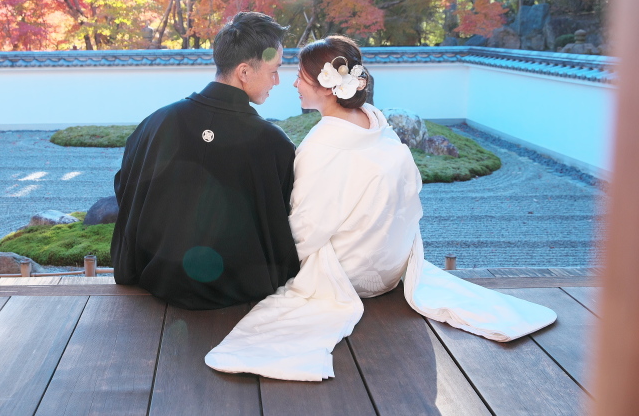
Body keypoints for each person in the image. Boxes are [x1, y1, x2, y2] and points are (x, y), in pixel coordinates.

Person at [206, 36, 556, 381]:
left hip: (350, 273)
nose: (294, 83)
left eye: (301, 75)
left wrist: (276, 263)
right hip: (391, 266)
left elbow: (309, 225)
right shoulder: (377, 126)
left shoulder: (321, 145)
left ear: (328, 86)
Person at [111, 12, 300, 310]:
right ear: (244, 72)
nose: (278, 80)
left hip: (157, 281)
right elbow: (287, 220)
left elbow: (126, 191)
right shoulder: (273, 144)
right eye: (274, 70)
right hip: (240, 291)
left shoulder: (157, 123)